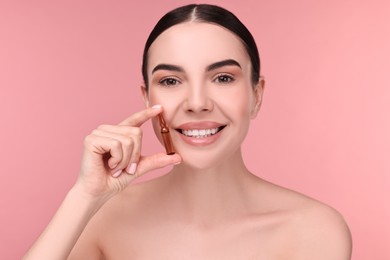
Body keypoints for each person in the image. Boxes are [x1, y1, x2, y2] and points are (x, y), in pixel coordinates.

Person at [24, 4, 352, 259]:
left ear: (257, 96)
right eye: (170, 81)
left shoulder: (313, 230)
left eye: (223, 77)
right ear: (147, 98)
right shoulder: (100, 218)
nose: (196, 103)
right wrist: (84, 197)